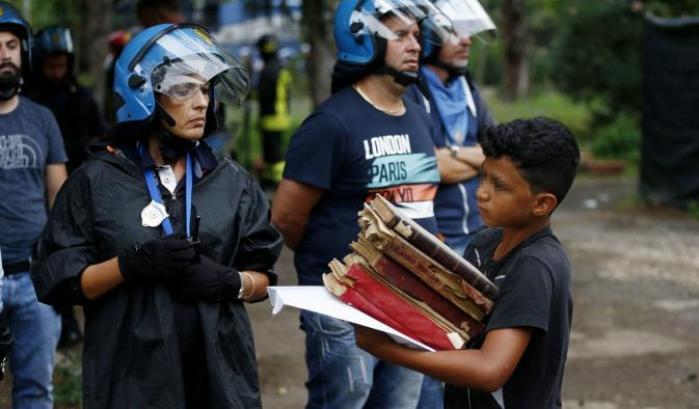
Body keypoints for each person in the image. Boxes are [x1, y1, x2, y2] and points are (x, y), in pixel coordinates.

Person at [31, 23, 282, 409]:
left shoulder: (232, 181)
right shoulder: (95, 182)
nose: (201, 102)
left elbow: (264, 277)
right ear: (143, 93)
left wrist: (231, 281)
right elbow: (58, 281)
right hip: (131, 381)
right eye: (184, 88)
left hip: (220, 380)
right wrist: (129, 265)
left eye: (206, 88)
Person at [271, 0, 443, 407]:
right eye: (400, 35)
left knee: (401, 403)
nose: (415, 44)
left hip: (409, 295)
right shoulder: (332, 123)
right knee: (347, 398)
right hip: (342, 298)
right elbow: (285, 217)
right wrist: (335, 259)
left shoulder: (417, 110)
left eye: (417, 35)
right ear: (361, 39)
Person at [355, 117, 580, 409]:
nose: (481, 192)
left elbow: (489, 370)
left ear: (542, 204)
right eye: (483, 177)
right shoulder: (484, 243)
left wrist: (388, 350)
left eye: (499, 186)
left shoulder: (535, 266)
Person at [405, 1, 496, 405]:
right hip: (435, 237)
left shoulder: (469, 88)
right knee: (433, 344)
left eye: (468, 33)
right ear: (428, 38)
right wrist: (467, 157)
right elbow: (425, 166)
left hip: (477, 233)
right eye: (452, 32)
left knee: (476, 342)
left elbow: (496, 155)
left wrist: (453, 156)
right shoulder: (411, 89)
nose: (466, 42)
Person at [0, 2, 68, 407]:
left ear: (23, 52)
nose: (4, 53)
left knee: (36, 390)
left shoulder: (43, 119)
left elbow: (59, 198)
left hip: (33, 278)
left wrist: (61, 265)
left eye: (11, 44)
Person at [255, 33, 292, 190]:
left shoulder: (268, 71)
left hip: (271, 117)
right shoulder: (281, 67)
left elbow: (263, 93)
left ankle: (278, 181)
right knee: (273, 151)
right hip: (282, 115)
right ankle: (270, 178)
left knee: (274, 153)